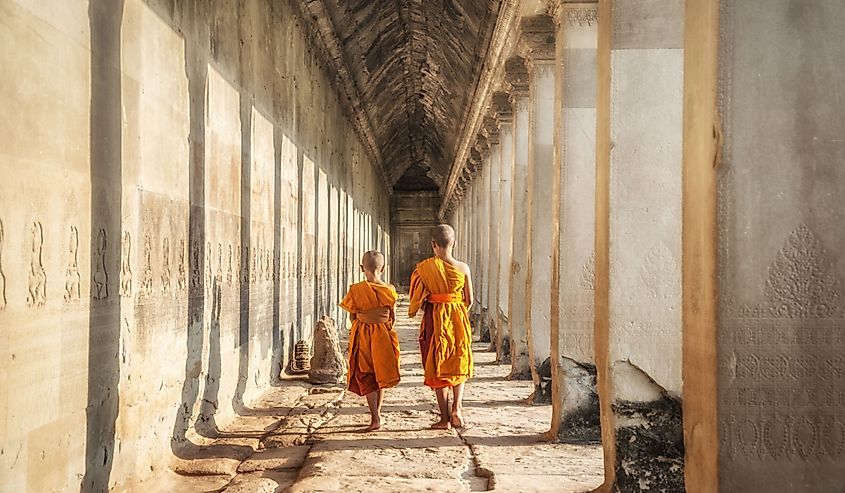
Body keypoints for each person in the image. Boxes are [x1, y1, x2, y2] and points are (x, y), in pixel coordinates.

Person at [409, 224, 474, 429]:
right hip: (457, 317)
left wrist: (435, 304)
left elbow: (417, 300)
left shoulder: (424, 268)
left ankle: (444, 418)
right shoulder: (463, 268)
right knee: (458, 359)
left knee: (436, 361)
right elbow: (470, 299)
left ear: (433, 245)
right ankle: (457, 408)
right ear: (454, 243)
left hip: (435, 318)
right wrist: (455, 310)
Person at [339, 251, 401, 432]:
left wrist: (363, 325)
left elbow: (352, 316)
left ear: (361, 268)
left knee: (366, 374)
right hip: (382, 336)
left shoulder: (356, 290)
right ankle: (378, 413)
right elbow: (393, 317)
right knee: (380, 373)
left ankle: (375, 416)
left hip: (363, 335)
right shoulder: (389, 290)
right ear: (383, 268)